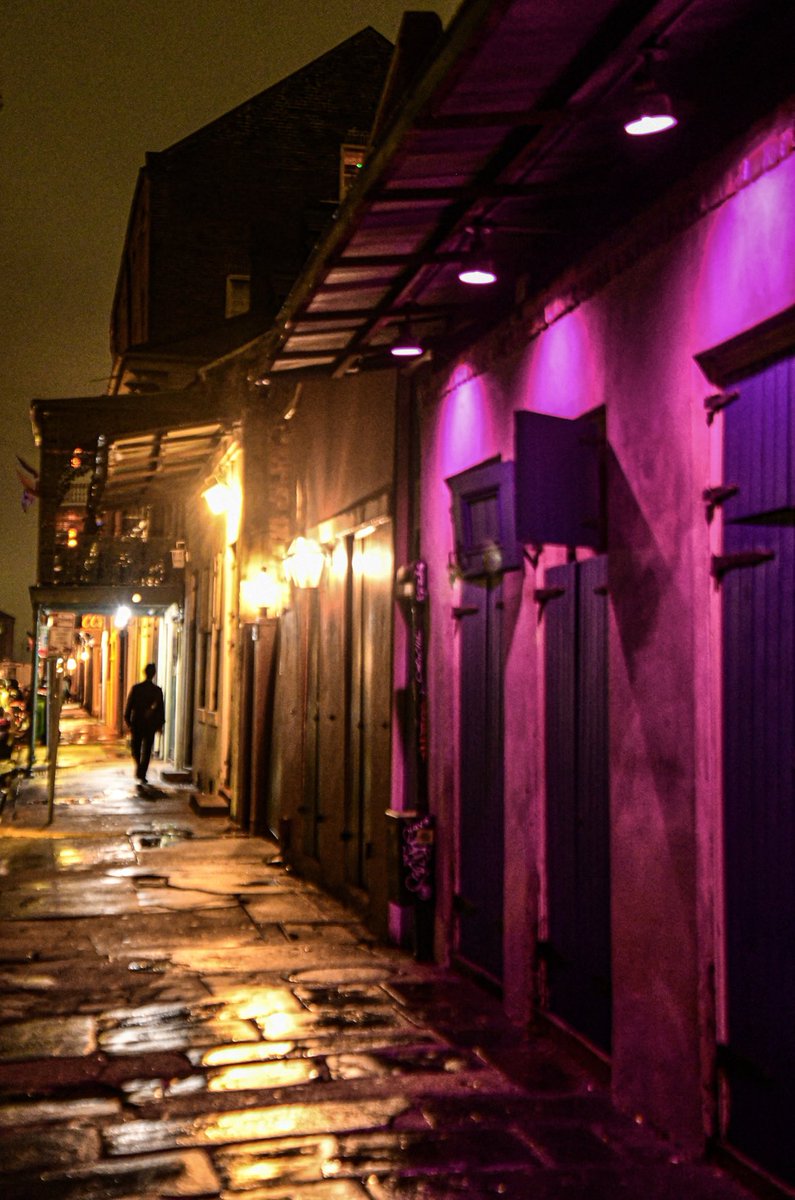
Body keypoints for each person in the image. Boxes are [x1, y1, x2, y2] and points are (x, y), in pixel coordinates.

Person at [124, 663, 165, 786]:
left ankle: (140, 768)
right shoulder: (157, 691)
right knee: (147, 750)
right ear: (154, 674)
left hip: (137, 723)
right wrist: (160, 724)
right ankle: (142, 771)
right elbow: (161, 709)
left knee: (136, 748)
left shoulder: (136, 688)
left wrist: (128, 721)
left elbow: (129, 705)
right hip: (150, 724)